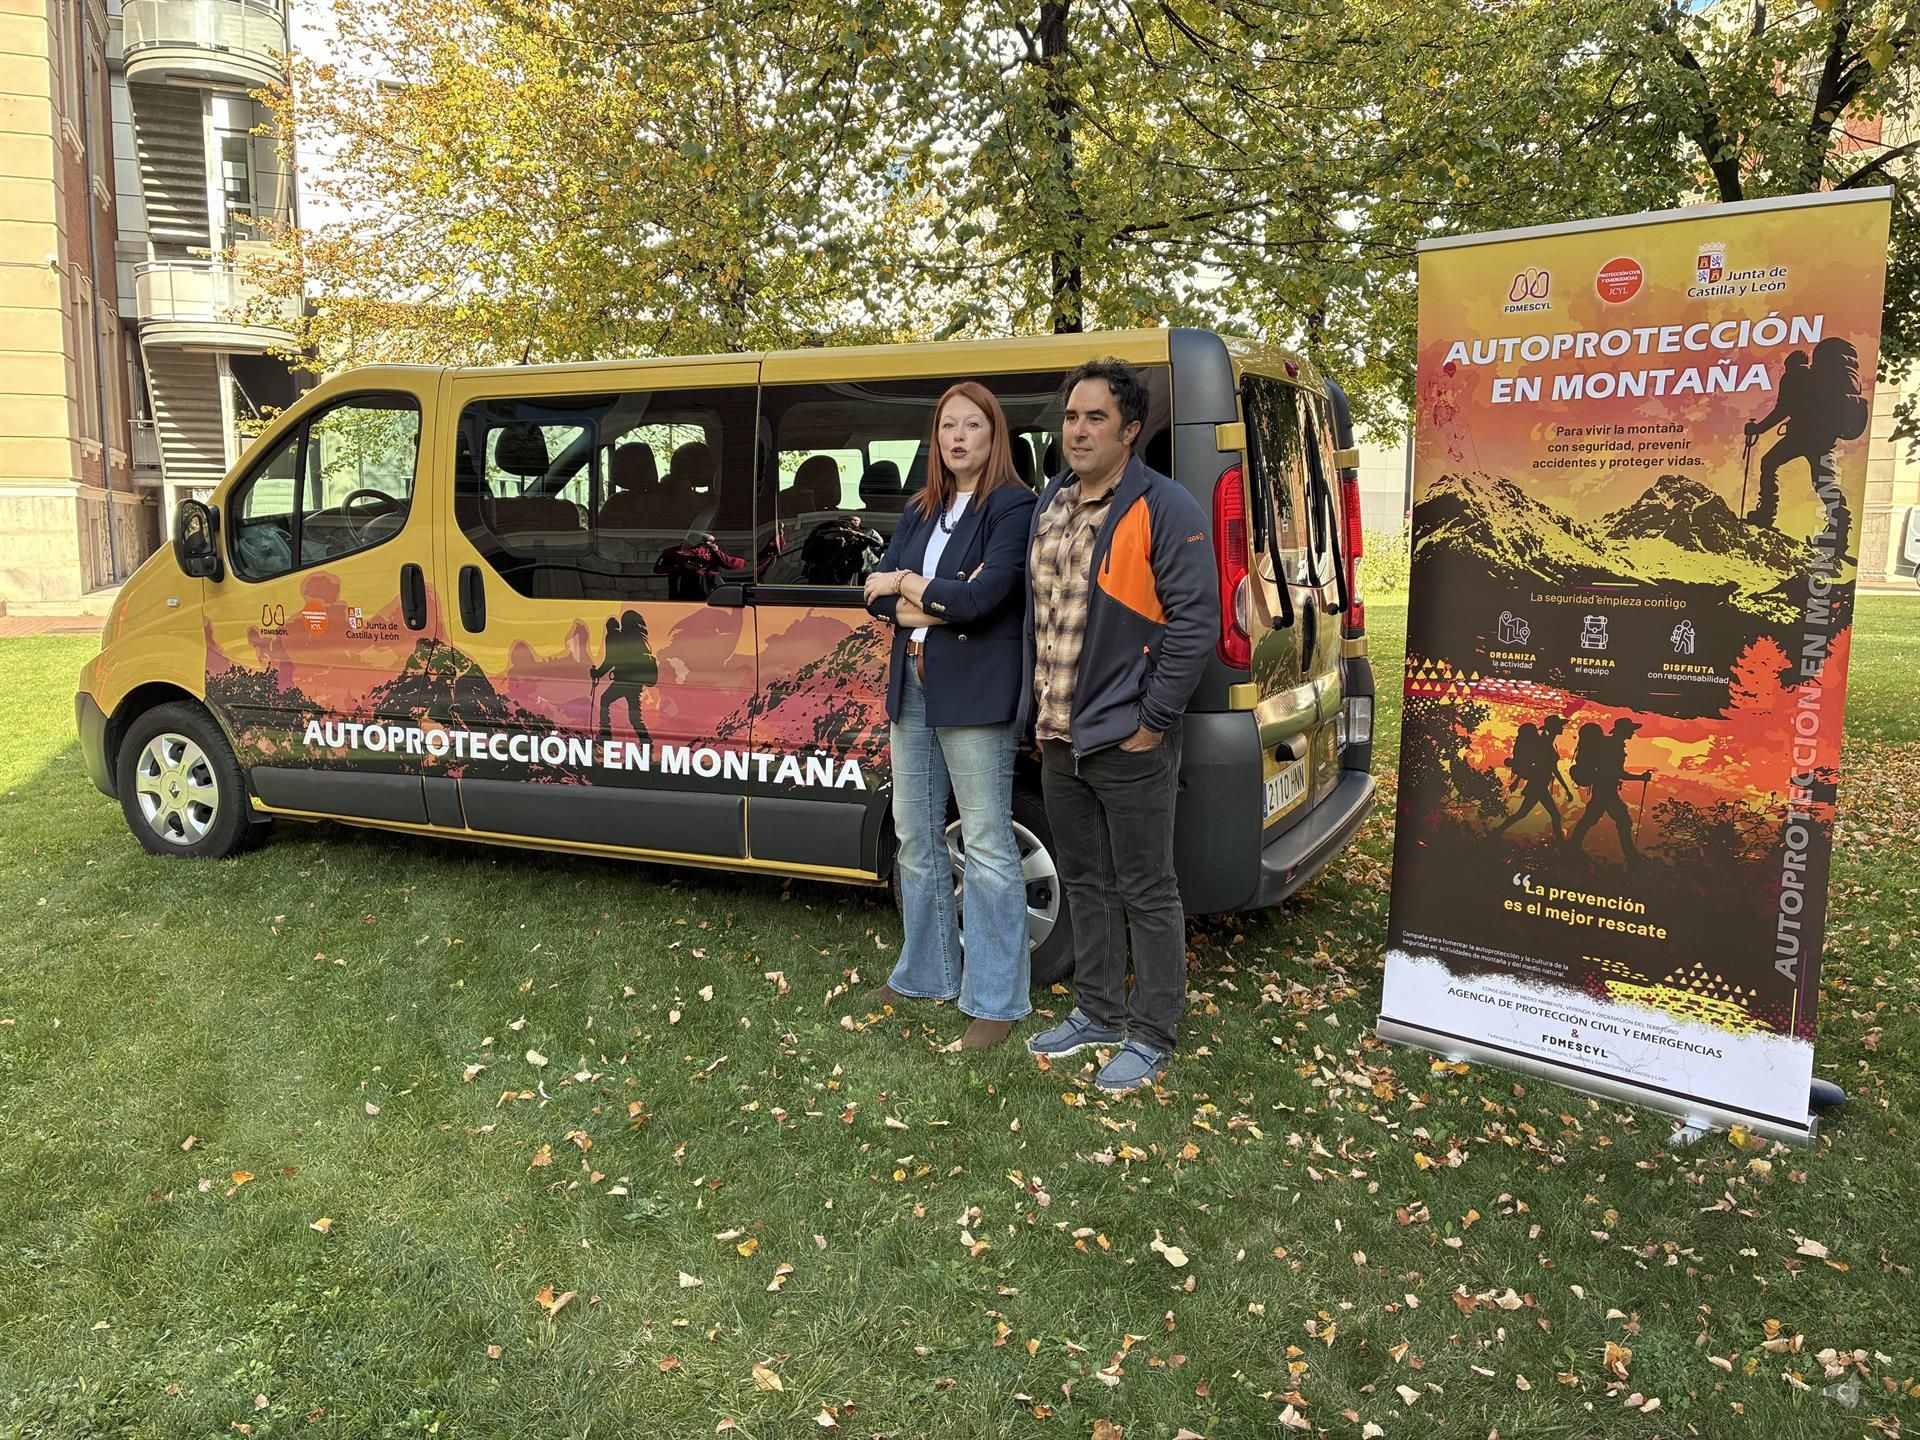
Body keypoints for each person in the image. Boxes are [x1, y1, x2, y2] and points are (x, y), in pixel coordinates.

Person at [1021, 358, 1217, 1093]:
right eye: (1071, 416)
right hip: (1060, 734)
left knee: (1147, 887)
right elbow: (1039, 622)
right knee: (1085, 881)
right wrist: (1035, 715)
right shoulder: (1053, 505)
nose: (1078, 429)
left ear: (1130, 430)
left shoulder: (1164, 508)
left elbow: (1195, 623)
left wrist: (1153, 720)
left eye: (1095, 417)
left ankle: (1153, 1030)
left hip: (1127, 738)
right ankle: (1099, 1012)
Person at [861, 383, 1040, 1049]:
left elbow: (984, 601)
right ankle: (925, 975)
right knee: (914, 834)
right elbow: (875, 602)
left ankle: (997, 999)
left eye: (972, 426)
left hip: (974, 689)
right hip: (912, 681)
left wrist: (908, 585)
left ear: (995, 435)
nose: (958, 438)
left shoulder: (1013, 506)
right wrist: (931, 598)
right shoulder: (920, 509)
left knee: (988, 845)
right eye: (946, 428)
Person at [1568, 717, 1651, 868]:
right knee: (1621, 821)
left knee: (1590, 820)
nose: (1633, 732)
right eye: (1630, 729)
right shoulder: (1614, 747)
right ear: (1623, 731)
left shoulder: (1611, 745)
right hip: (1606, 790)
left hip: (1604, 789)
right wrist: (1641, 778)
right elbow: (1617, 773)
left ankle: (1572, 847)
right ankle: (1633, 860)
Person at [1494, 714, 1573, 841]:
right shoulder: (1546, 743)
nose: (1562, 728)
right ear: (1553, 728)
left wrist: (1567, 789)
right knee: (1553, 815)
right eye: (1560, 726)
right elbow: (1547, 767)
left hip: (1539, 783)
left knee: (1523, 814)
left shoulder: (1548, 742)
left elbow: (1547, 767)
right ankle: (1562, 844)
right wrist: (1567, 789)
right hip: (1538, 784)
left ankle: (1498, 831)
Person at [593, 610, 657, 744]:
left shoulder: (617, 638)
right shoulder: (639, 641)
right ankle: (645, 740)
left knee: (605, 700)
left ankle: (606, 734)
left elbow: (610, 660)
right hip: (634, 684)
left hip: (623, 682)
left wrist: (597, 673)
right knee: (635, 717)